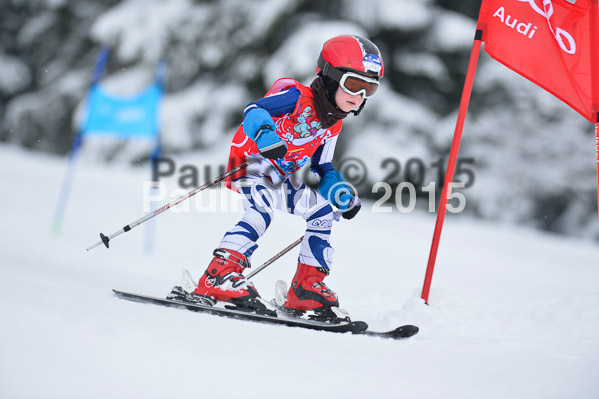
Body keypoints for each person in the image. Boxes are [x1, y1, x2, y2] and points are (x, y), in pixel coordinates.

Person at [170, 34, 384, 322]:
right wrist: (266, 135)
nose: (359, 96)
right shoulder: (296, 98)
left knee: (321, 211)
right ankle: (218, 275)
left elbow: (323, 168)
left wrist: (340, 193)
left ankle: (305, 288)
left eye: (368, 89)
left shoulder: (332, 126)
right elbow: (254, 111)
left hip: (278, 178)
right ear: (331, 78)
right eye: (353, 84)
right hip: (249, 166)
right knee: (261, 211)